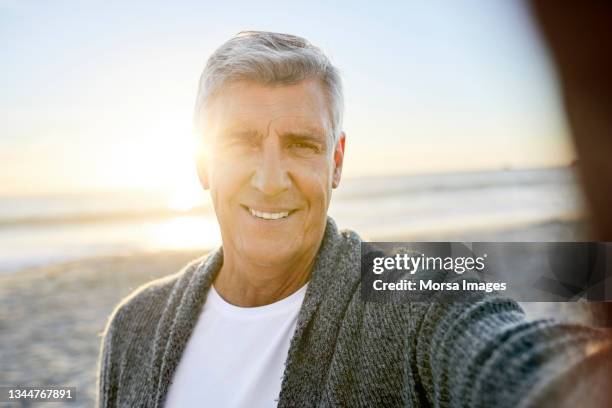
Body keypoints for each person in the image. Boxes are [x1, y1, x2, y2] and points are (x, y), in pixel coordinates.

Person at [97, 31, 612, 408]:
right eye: (241, 142)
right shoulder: (135, 327)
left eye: (302, 145)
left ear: (337, 161)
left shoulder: (412, 294)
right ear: (202, 161)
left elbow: (511, 361)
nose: (271, 179)